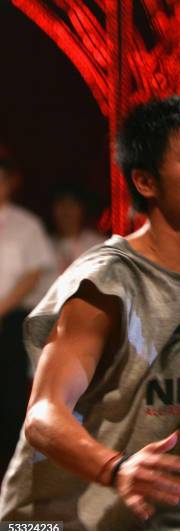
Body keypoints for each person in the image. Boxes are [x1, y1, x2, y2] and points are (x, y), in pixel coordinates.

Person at [0, 95, 180, 531]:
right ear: (145, 181)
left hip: (176, 516)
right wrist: (116, 468)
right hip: (51, 523)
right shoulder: (106, 284)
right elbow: (42, 414)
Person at [0, 158, 55, 479]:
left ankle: (11, 468)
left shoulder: (26, 224)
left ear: (10, 182)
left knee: (9, 395)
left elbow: (34, 274)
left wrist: (3, 309)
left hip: (10, 321)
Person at [49, 183, 106, 275]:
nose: (66, 210)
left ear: (82, 209)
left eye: (72, 204)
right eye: (61, 204)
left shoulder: (99, 245)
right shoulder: (45, 245)